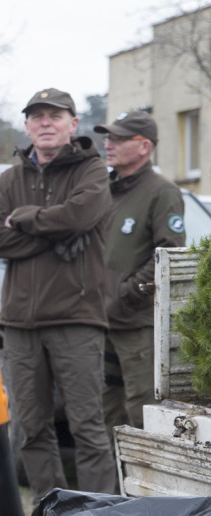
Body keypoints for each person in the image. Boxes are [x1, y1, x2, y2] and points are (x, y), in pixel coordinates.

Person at [0, 88, 118, 504]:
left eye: (54, 116)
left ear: (72, 124)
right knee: (31, 428)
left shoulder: (91, 171)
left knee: (87, 427)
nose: (45, 122)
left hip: (77, 319)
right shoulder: (11, 178)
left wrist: (23, 219)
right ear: (26, 125)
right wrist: (52, 235)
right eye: (37, 116)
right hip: (20, 324)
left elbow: (79, 215)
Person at [95, 110, 185, 435]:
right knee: (105, 415)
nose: (109, 144)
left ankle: (146, 487)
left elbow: (169, 253)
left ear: (144, 146)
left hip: (137, 325)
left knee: (141, 414)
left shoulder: (162, 192)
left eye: (118, 139)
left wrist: (126, 293)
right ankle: (111, 487)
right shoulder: (106, 189)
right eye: (108, 138)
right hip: (102, 321)